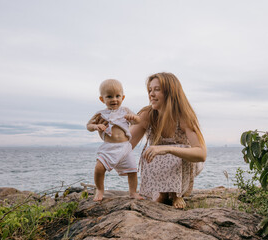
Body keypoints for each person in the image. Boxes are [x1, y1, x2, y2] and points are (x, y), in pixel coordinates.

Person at [130, 72, 206, 209]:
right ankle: (162, 194)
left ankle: (177, 194)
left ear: (171, 92)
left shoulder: (184, 117)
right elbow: (125, 145)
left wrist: (167, 149)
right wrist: (107, 131)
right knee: (150, 152)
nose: (151, 94)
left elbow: (201, 154)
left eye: (157, 89)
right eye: (150, 90)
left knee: (176, 150)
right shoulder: (147, 115)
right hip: (162, 165)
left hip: (187, 164)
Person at [87, 79, 143, 201]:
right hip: (109, 147)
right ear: (102, 99)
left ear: (123, 97)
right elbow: (88, 126)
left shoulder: (125, 111)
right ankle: (100, 189)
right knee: (99, 168)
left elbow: (138, 121)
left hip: (125, 147)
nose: (114, 99)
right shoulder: (100, 114)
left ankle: (132, 192)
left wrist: (133, 117)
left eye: (117, 96)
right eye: (109, 96)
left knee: (133, 170)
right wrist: (96, 126)